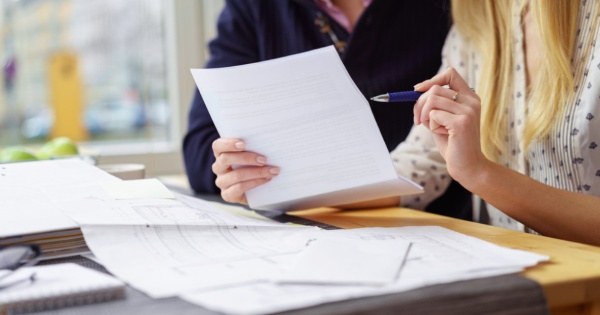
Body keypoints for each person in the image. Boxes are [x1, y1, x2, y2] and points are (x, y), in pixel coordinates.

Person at [184, 0, 474, 219]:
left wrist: (291, 180)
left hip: (436, 227)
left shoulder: (451, 9)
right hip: (311, 229)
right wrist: (241, 171)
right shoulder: (255, 7)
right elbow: (200, 151)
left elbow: (449, 157)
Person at [392, 0, 600, 246]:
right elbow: (420, 163)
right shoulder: (478, 19)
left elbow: (458, 167)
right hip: (513, 276)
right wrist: (338, 184)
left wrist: (479, 173)